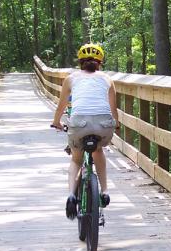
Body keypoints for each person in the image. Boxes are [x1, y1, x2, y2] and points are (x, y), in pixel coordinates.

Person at [51, 43, 120, 219]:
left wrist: (56, 122)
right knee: (98, 150)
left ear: (80, 62)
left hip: (79, 124)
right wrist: (116, 124)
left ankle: (71, 195)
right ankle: (104, 191)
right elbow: (113, 110)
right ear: (100, 62)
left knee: (76, 159)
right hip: (104, 125)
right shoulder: (107, 80)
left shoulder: (71, 79)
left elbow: (62, 106)